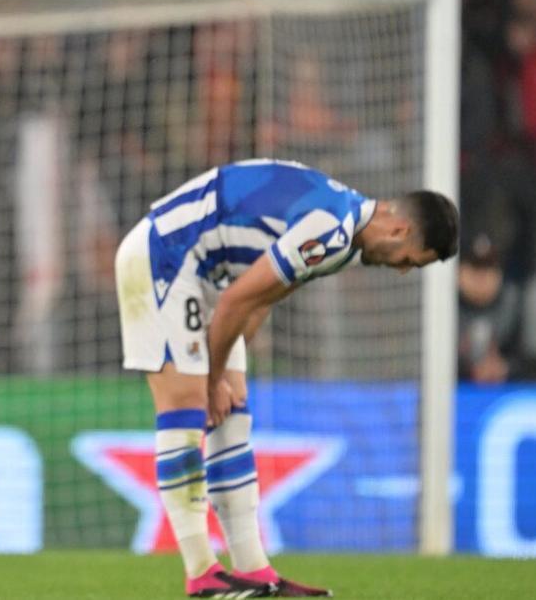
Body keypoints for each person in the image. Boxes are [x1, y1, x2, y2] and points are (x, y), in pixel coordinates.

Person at [115, 158, 458, 598]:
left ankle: (254, 571)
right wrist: (212, 377)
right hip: (166, 254)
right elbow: (239, 299)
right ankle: (201, 572)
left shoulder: (345, 237)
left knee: (233, 409)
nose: (404, 269)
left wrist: (226, 378)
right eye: (411, 260)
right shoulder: (331, 230)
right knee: (187, 404)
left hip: (209, 273)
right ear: (400, 231)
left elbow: (261, 298)